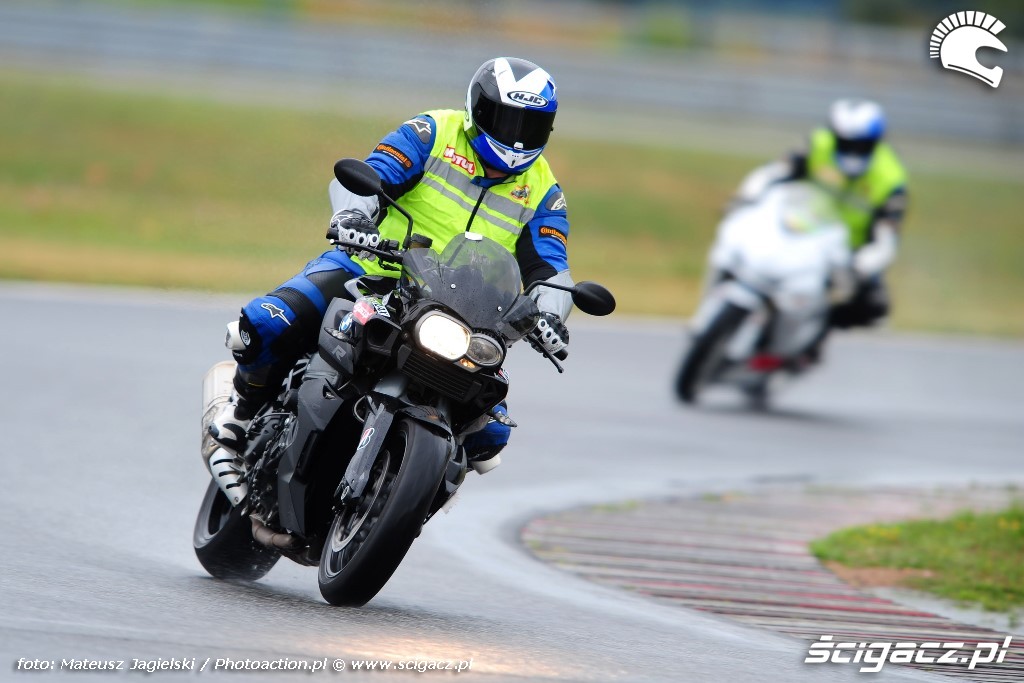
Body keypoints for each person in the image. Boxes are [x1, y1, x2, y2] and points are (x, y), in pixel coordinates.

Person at [208, 57, 573, 471]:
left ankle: (414, 489)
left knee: (489, 437)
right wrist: (353, 216)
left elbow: (552, 268)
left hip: (463, 313)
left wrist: (550, 315)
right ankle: (241, 409)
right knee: (268, 321)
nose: (517, 139)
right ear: (477, 108)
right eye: (506, 120)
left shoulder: (544, 191)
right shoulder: (433, 132)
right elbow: (372, 173)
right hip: (372, 269)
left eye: (530, 126)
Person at [734, 99, 908, 336]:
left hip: (845, 252)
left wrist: (861, 266)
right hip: (800, 228)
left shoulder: (891, 177)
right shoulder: (818, 144)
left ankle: (812, 338)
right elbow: (776, 171)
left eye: (861, 145)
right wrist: (747, 195)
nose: (852, 150)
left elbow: (887, 237)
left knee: (874, 309)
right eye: (846, 143)